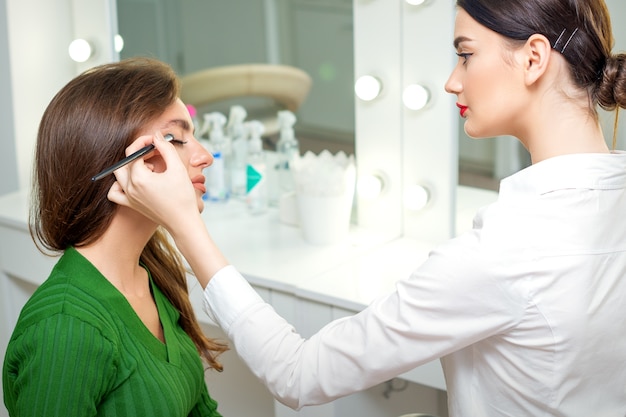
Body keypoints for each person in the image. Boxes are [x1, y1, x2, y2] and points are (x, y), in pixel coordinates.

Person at [109, 0, 626, 415]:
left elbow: (298, 374)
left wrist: (183, 224)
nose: (452, 80)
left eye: (465, 54)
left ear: (534, 58)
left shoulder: (505, 253)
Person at [2, 58, 228, 416]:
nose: (204, 156)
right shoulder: (65, 329)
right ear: (114, 164)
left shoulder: (152, 275)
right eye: (175, 139)